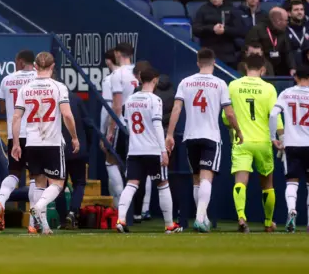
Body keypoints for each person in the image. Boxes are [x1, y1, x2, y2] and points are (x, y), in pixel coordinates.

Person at [165, 48, 243, 232]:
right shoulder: (220, 84)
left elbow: (176, 109)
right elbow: (229, 113)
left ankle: (203, 217)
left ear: (198, 63)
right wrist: (238, 131)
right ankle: (200, 218)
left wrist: (169, 134)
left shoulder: (186, 82)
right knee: (207, 177)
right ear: (214, 63)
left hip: (190, 136)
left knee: (196, 179)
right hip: (211, 136)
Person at [11, 52, 79, 235]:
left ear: (35, 66)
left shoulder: (25, 89)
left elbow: (16, 117)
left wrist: (16, 142)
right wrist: (74, 136)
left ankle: (43, 226)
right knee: (57, 183)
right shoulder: (58, 87)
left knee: (39, 183)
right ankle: (39, 206)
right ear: (52, 66)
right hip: (52, 142)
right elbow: (66, 114)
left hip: (32, 142)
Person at [116, 67, 181, 234]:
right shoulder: (155, 100)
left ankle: (121, 219)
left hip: (135, 150)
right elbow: (158, 125)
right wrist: (163, 150)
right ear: (155, 80)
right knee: (162, 184)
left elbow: (127, 125)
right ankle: (169, 225)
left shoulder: (129, 100)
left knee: (131, 184)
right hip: (153, 150)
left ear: (139, 79)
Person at [270, 66, 309, 234]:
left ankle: (292, 210)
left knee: (292, 182)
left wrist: (273, 137)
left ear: (295, 77)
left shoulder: (286, 93)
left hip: (292, 145)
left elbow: (273, 114)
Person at [225, 54, 281, 233]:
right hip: (263, 141)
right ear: (263, 69)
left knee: (241, 181)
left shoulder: (234, 86)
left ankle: (241, 217)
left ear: (244, 67)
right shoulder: (269, 89)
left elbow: (226, 117)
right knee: (267, 184)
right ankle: (268, 222)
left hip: (241, 140)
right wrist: (279, 137)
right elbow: (275, 117)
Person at [0, 50, 37, 232]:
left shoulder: (6, 80)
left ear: (19, 61)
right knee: (36, 177)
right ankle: (34, 224)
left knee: (13, 173)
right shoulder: (39, 79)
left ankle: (1, 201)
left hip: (15, 134)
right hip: (36, 134)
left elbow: (2, 108)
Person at [57, 88, 94, 229]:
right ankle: (72, 213)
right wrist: (87, 145)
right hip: (77, 148)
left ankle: (62, 220)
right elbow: (88, 124)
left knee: (58, 186)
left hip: (58, 148)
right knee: (79, 183)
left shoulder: (50, 98)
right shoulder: (76, 99)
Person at [192, 0, 244, 68]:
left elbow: (240, 30)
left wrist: (225, 30)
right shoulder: (203, 10)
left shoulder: (231, 9)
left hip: (228, 52)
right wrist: (212, 28)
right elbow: (196, 29)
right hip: (208, 51)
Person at [100, 49, 124, 207]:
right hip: (136, 126)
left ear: (109, 61)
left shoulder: (111, 79)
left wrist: (104, 132)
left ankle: (120, 205)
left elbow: (109, 107)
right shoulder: (136, 74)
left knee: (111, 162)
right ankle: (143, 209)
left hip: (117, 125)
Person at [106, 43, 138, 158]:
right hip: (138, 124)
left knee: (112, 160)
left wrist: (110, 131)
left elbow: (117, 106)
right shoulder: (139, 71)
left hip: (122, 124)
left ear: (117, 53)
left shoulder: (117, 74)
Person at [245, 7, 296, 76]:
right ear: (278, 21)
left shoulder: (283, 31)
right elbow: (254, 52)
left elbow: (288, 51)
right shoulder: (257, 30)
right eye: (286, 20)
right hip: (262, 67)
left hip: (279, 67)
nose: (287, 23)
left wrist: (292, 67)